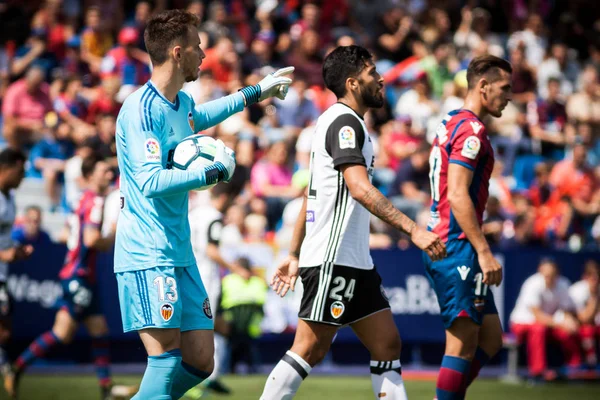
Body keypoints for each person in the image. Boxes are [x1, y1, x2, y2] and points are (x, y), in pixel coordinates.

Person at [111, 9, 293, 400]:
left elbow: (202, 115)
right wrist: (209, 175)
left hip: (179, 250)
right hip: (147, 252)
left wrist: (255, 92)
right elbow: (149, 181)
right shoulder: (141, 109)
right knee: (164, 363)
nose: (204, 56)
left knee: (200, 362)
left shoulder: (179, 103)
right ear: (178, 53)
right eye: (197, 47)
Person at [261, 45, 446, 400]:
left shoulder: (338, 122)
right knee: (310, 348)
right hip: (334, 257)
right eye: (372, 73)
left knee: (387, 343)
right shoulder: (345, 123)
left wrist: (293, 252)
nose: (380, 79)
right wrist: (414, 230)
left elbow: (311, 194)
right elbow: (359, 189)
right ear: (352, 82)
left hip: (354, 260)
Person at [423, 55, 512, 399]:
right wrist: (484, 251)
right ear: (483, 86)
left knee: (490, 338)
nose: (508, 96)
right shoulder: (471, 130)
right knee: (461, 346)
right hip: (456, 244)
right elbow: (458, 194)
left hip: (450, 240)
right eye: (504, 88)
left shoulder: (451, 121)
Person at [4, 154, 117, 399]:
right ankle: (16, 367)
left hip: (78, 273)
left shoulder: (80, 200)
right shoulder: (95, 202)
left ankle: (106, 389)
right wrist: (112, 237)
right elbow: (91, 239)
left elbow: (66, 234)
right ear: (89, 176)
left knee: (96, 330)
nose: (110, 175)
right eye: (104, 171)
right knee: (65, 333)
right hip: (80, 274)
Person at [186, 184, 249, 397]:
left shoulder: (195, 213)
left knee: (202, 327)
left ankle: (208, 377)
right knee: (205, 329)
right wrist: (236, 268)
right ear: (224, 196)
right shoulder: (213, 217)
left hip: (189, 274)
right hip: (206, 277)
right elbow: (211, 250)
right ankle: (197, 379)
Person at [510, 259, 581, 379]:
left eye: (552, 275)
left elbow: (566, 310)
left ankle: (575, 368)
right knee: (539, 329)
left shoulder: (563, 284)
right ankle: (538, 371)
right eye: (546, 275)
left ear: (557, 273)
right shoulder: (532, 284)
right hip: (521, 323)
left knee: (568, 332)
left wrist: (569, 321)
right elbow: (537, 316)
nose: (549, 278)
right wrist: (561, 323)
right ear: (540, 272)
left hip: (549, 324)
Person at [0, 149, 33, 380]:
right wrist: (4, 255)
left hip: (2, 274)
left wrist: (17, 251)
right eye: (21, 171)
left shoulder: (9, 198)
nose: (23, 177)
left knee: (5, 330)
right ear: (7, 168)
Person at [569, 260, 600, 368]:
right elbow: (583, 319)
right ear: (585, 277)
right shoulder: (577, 290)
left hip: (592, 324)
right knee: (587, 330)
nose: (595, 281)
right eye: (592, 277)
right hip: (577, 325)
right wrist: (594, 298)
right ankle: (589, 364)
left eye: (598, 277)